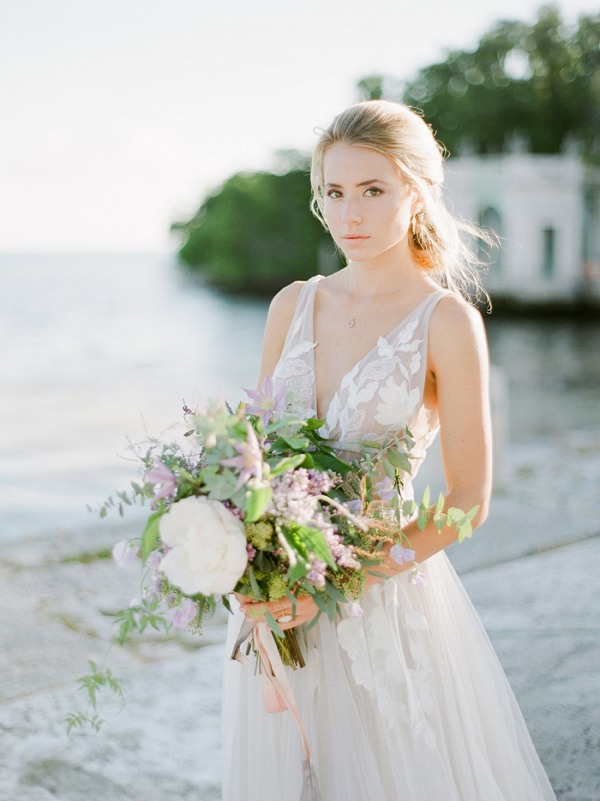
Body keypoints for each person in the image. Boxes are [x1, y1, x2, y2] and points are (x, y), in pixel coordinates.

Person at [221, 100, 556, 800]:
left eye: (374, 190)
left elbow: (469, 501)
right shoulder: (292, 303)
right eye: (335, 192)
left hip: (380, 603)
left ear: (417, 191)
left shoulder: (447, 322)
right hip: (278, 601)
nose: (352, 212)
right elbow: (255, 460)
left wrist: (335, 584)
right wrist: (240, 551)